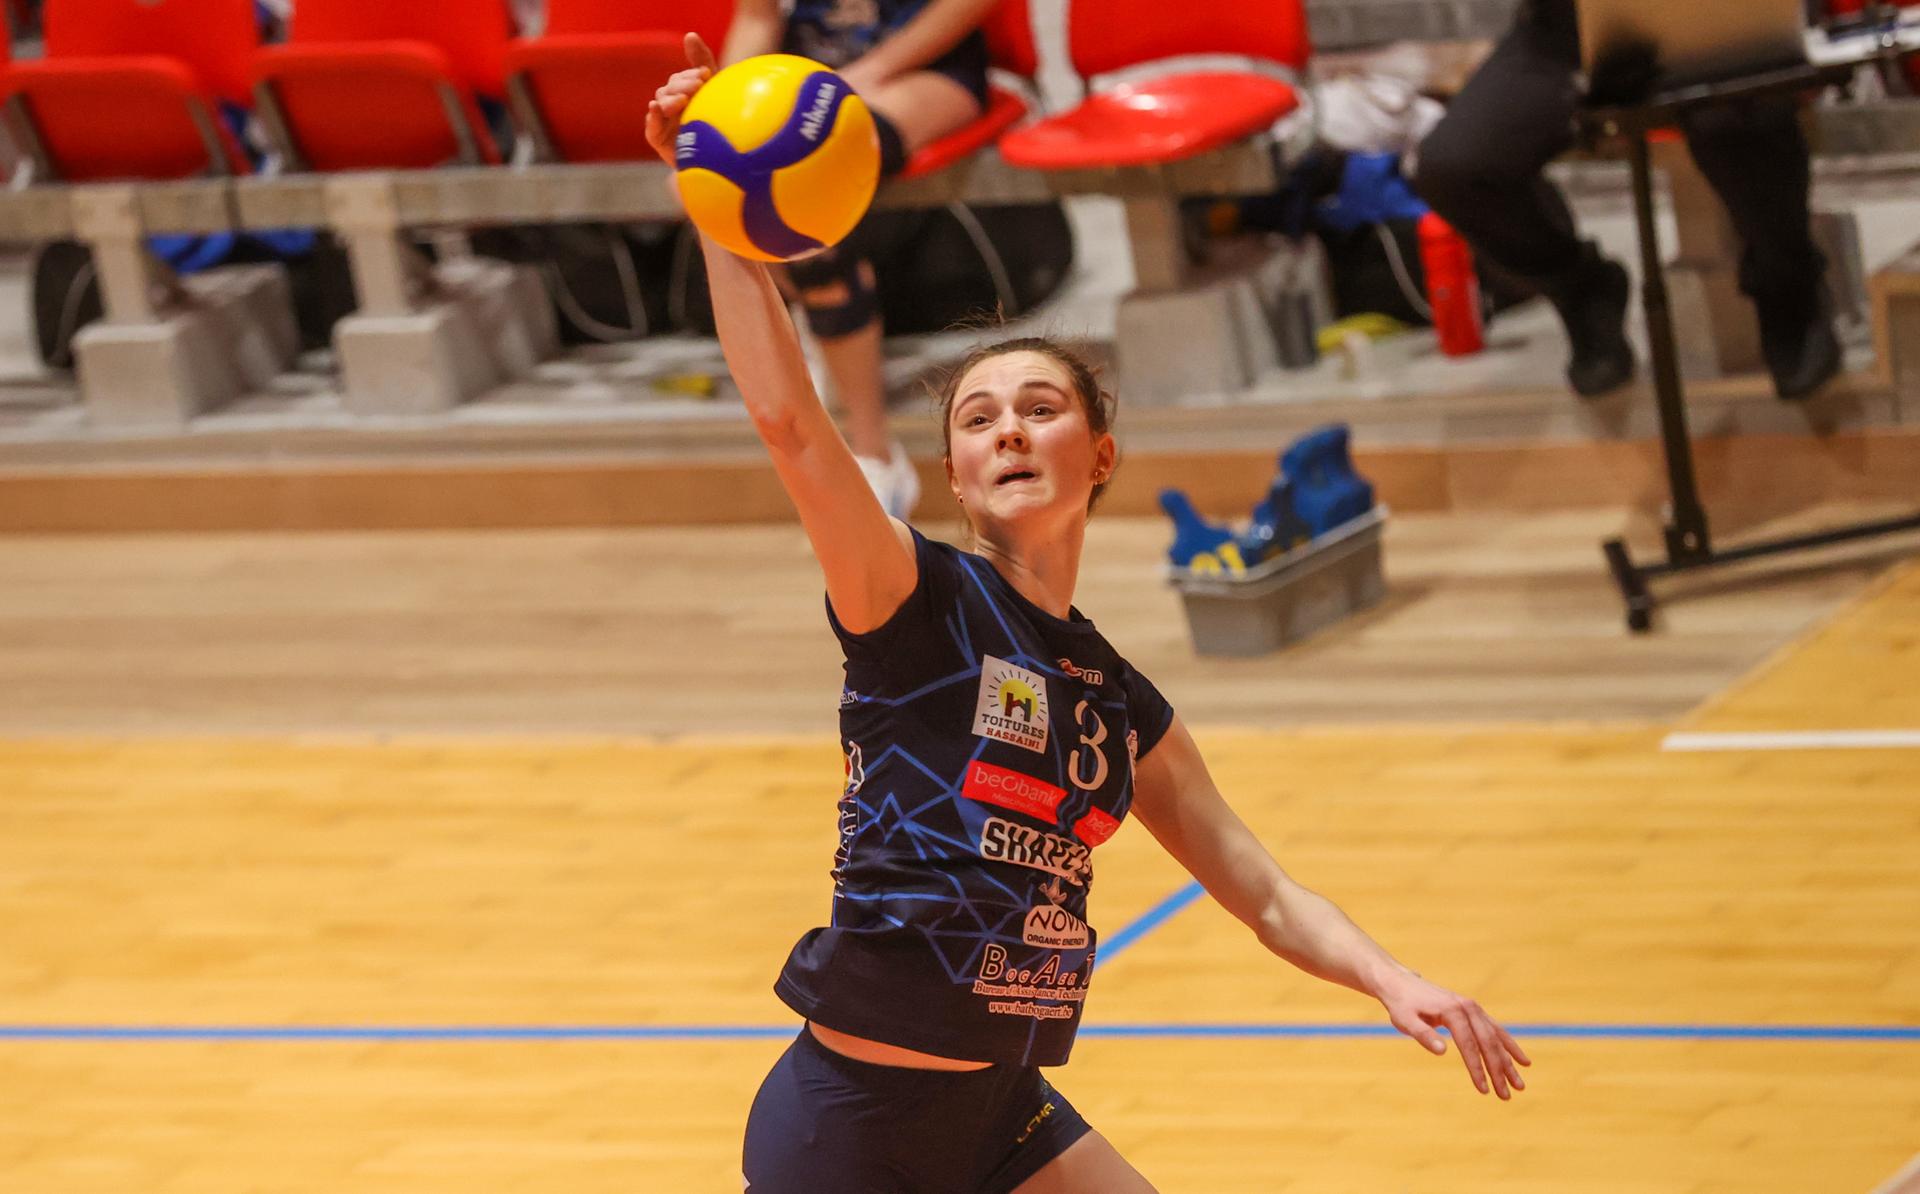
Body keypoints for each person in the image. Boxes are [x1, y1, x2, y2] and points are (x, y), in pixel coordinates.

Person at [649, 38, 1532, 1193]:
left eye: (1040, 406)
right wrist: (714, 204)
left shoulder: (1117, 700)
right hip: (855, 1128)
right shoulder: (912, 604)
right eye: (977, 419)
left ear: (1099, 453)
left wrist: (1391, 979)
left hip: (1008, 1110)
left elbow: (1260, 889)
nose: (1008, 429)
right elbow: (788, 421)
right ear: (957, 477)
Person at [1411, 0, 1842, 400]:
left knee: (1736, 113)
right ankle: (1581, 288)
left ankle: (1788, 285)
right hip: (1566, 35)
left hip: (1712, 19)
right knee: (1453, 167)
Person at [719, 0, 1000, 518]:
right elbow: (757, 18)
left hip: (922, 69)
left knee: (810, 180)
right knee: (728, 179)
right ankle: (824, 341)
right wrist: (721, 113)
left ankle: (874, 455)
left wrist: (869, 73)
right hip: (809, 81)